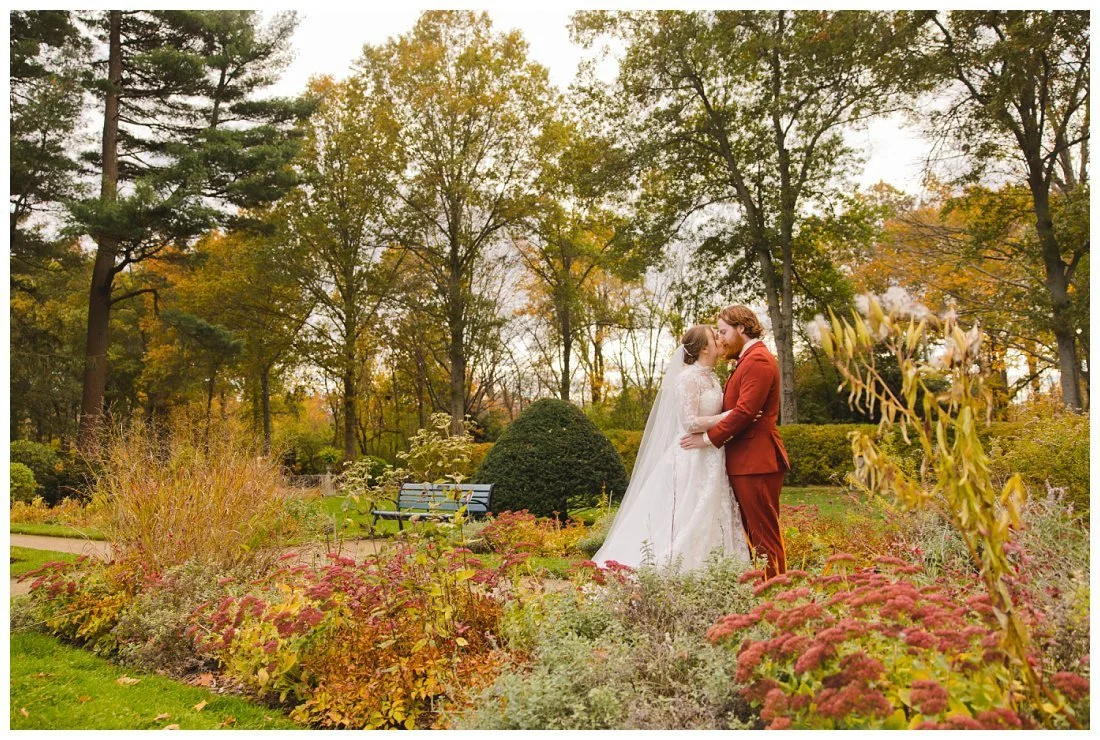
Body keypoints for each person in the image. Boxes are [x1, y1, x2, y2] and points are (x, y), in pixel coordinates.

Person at [594, 325, 751, 570]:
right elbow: (689, 422)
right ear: (703, 347)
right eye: (714, 336)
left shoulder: (711, 376)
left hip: (712, 454)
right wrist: (731, 416)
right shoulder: (688, 379)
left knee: (715, 513)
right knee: (689, 515)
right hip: (692, 457)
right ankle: (681, 568)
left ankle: (718, 569)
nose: (719, 339)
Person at [680, 305, 790, 580]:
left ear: (742, 328)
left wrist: (706, 439)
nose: (721, 338)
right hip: (744, 461)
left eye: (724, 332)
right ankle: (766, 587)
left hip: (757, 460)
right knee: (754, 534)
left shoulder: (758, 361)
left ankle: (776, 591)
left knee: (764, 534)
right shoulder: (744, 360)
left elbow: (745, 412)